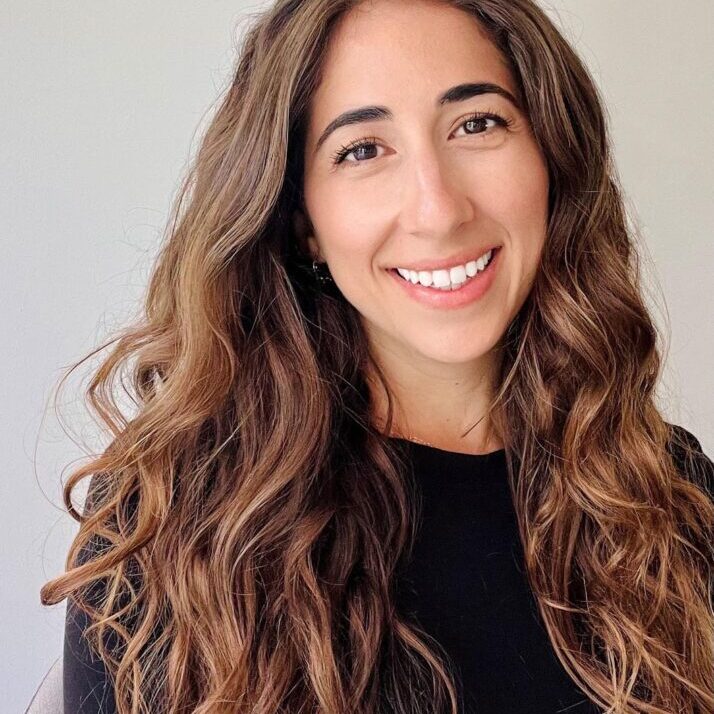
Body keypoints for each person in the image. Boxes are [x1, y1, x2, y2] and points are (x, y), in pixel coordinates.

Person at [41, 1, 714, 712]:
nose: (439, 209)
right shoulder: (172, 535)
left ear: (551, 156)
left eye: (476, 123)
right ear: (302, 221)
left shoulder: (669, 497)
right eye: (363, 149)